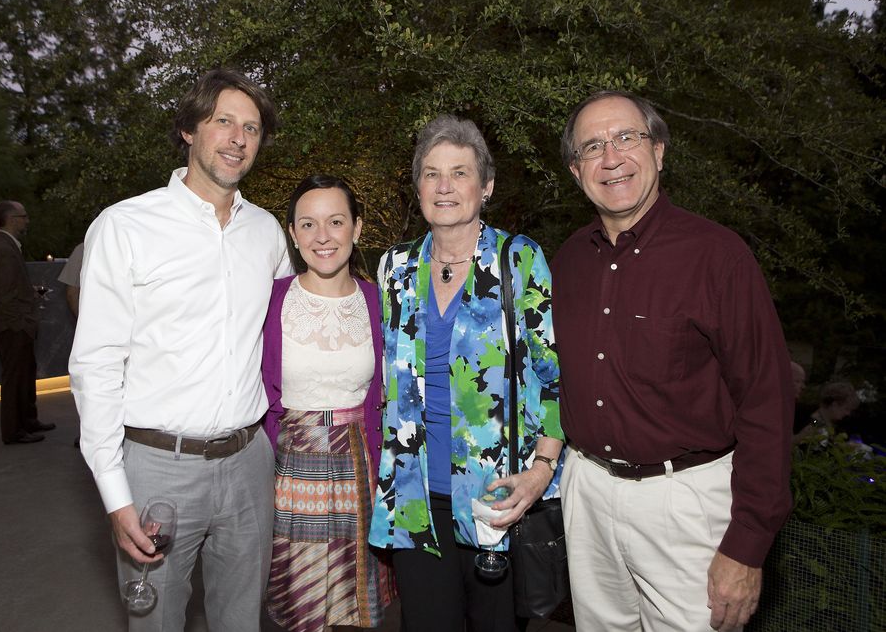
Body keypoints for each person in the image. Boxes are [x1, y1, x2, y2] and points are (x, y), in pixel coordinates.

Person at [551, 90, 793, 632]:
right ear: (576, 170)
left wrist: (749, 544)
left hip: (685, 503)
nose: (611, 157)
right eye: (593, 146)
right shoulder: (567, 260)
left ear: (659, 151)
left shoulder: (717, 257)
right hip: (586, 491)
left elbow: (766, 403)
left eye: (626, 138)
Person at [69, 68, 291, 632]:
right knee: (156, 623)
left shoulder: (267, 232)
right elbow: (95, 367)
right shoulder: (125, 227)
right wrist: (116, 497)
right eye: (223, 122)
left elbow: (290, 332)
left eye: (252, 128)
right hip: (155, 472)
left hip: (249, 466)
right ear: (190, 130)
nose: (239, 138)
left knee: (243, 622)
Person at [368, 115, 563, 632]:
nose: (445, 186)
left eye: (459, 172)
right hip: (413, 497)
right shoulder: (396, 266)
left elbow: (553, 377)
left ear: (487, 186)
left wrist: (543, 469)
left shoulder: (518, 260)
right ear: (418, 187)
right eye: (431, 174)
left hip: (495, 498)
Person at [261, 175, 395, 631]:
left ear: (356, 229)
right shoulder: (269, 300)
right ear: (294, 235)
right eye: (309, 224)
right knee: (297, 605)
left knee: (351, 611)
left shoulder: (380, 303)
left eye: (336, 222)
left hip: (359, 466)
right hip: (288, 472)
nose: (323, 236)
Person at [0, 201, 56, 444]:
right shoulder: (3, 249)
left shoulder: (5, 246)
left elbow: (10, 288)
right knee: (15, 377)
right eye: (23, 216)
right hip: (12, 327)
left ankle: (28, 420)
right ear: (12, 219)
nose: (27, 220)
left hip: (15, 324)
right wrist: (20, 323)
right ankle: (14, 431)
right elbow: (4, 296)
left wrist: (29, 292)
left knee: (25, 373)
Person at [57, 242, 84, 448]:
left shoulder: (84, 247)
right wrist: (85, 324)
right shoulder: (84, 248)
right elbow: (71, 291)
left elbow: (71, 292)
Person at [792, 381, 860, 446]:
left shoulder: (834, 424)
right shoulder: (809, 417)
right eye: (846, 409)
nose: (848, 413)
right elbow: (813, 423)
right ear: (834, 404)